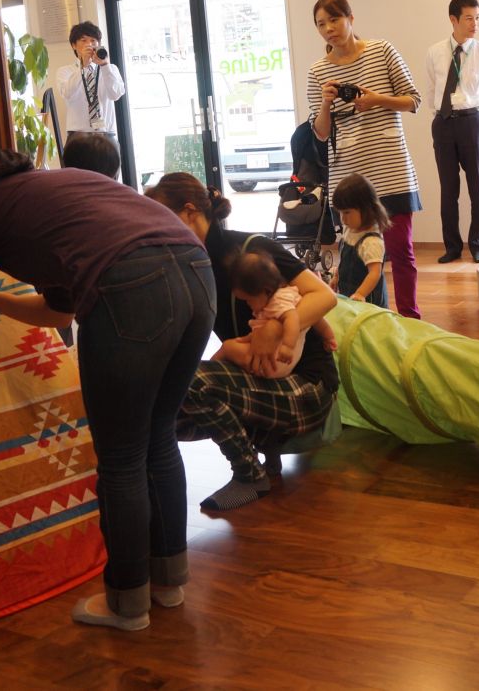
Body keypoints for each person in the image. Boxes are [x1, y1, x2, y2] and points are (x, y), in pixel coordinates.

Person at [0, 146, 214, 632]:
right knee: (158, 438)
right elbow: (59, 312)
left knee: (121, 458)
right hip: (198, 275)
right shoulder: (45, 192)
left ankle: (127, 604)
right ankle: (167, 582)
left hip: (132, 286)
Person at [144, 173, 339, 511]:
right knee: (155, 401)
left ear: (190, 211)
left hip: (307, 388)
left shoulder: (250, 252)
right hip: (261, 381)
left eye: (162, 218)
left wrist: (275, 329)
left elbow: (324, 296)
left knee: (191, 384)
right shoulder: (190, 264)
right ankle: (257, 451)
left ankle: (249, 475)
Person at [306, 0, 424, 319]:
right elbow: (320, 133)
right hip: (348, 179)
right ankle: (362, 321)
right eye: (321, 24)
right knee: (354, 258)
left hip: (391, 170)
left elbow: (413, 100)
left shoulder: (382, 51)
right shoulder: (317, 71)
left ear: (351, 18)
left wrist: (376, 100)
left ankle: (410, 321)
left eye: (334, 19)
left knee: (400, 252)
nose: (328, 29)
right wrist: (327, 102)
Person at [425, 0, 479, 264]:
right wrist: (441, 116)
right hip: (444, 122)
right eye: (469, 18)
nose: (475, 23)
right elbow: (431, 90)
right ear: (453, 19)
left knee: (477, 187)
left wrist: (478, 122)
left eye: (477, 18)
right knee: (448, 189)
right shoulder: (435, 52)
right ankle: (452, 247)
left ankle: (478, 245)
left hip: (473, 122)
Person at [212, 249, 334, 377]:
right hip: (280, 362)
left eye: (248, 300)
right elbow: (316, 318)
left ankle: (208, 367)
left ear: (266, 291)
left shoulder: (277, 303)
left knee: (227, 347)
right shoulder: (292, 294)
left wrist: (287, 346)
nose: (248, 304)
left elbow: (293, 318)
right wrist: (328, 335)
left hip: (273, 361)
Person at [55, 21, 125, 138]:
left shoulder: (111, 68)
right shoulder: (65, 71)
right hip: (78, 135)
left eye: (93, 40)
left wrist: (105, 66)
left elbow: (115, 95)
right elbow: (67, 93)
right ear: (74, 45)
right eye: (83, 40)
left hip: (107, 133)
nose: (89, 44)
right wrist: (83, 67)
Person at [331, 173, 388, 307]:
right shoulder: (349, 230)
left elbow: (375, 273)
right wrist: (336, 276)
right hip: (350, 294)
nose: (342, 219)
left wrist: (361, 294)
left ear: (366, 209)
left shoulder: (371, 241)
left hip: (369, 301)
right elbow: (344, 259)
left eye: (347, 212)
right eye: (340, 212)